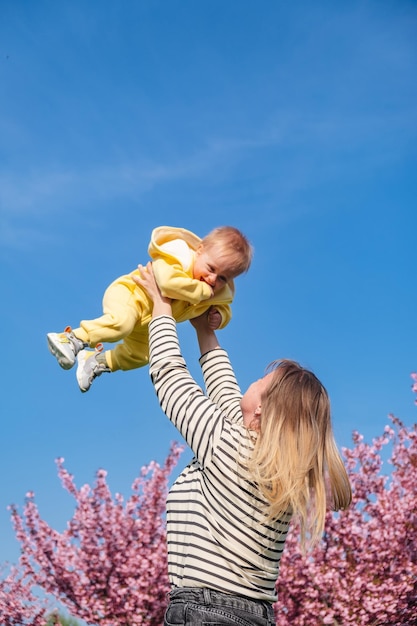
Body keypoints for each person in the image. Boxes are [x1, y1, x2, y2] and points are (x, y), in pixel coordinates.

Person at [135, 261, 352, 626]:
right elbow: (226, 396)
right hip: (255, 615)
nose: (250, 383)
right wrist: (206, 332)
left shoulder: (227, 444)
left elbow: (172, 379)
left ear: (264, 407)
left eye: (260, 381)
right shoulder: (279, 470)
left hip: (203, 610)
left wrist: (161, 308)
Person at [46, 225, 252, 392]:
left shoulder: (219, 293)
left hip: (150, 321)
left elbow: (225, 309)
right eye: (211, 268)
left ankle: (96, 361)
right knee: (121, 323)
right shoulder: (179, 256)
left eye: (223, 278)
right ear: (200, 251)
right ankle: (72, 338)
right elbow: (167, 283)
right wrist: (202, 292)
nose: (213, 279)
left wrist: (219, 317)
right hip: (131, 296)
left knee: (143, 355)